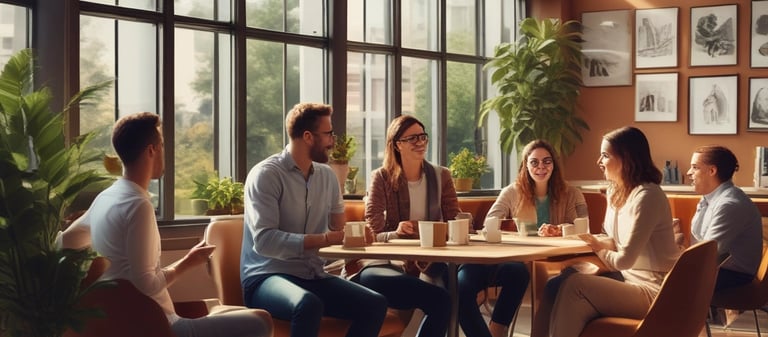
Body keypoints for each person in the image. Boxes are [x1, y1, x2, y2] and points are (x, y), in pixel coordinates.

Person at [60, 112, 273, 337]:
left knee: (230, 311)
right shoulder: (138, 205)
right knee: (261, 321)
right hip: (160, 326)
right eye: (161, 145)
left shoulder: (106, 197)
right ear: (151, 150)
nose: (164, 151)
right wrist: (188, 262)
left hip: (124, 322)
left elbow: (66, 240)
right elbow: (145, 285)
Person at [240, 103, 387, 337]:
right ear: (308, 136)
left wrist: (358, 234)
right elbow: (265, 241)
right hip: (266, 276)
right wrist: (327, 239)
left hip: (312, 274)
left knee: (375, 304)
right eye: (328, 134)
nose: (332, 141)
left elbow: (339, 228)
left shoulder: (327, 176)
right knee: (308, 305)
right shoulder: (267, 175)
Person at [546, 126, 680, 337]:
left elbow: (623, 260)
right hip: (628, 281)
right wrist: (567, 232)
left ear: (626, 159)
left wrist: (597, 247)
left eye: (605, 155)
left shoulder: (648, 196)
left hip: (655, 291)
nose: (599, 161)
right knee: (558, 288)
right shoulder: (615, 191)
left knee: (575, 285)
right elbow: (612, 240)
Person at [459, 140, 588, 337]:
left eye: (546, 161)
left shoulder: (572, 194)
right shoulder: (512, 191)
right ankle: (497, 330)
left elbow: (583, 226)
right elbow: (490, 222)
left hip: (557, 259)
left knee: (519, 273)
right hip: (518, 258)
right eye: (534, 162)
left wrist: (559, 229)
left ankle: (497, 328)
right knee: (472, 281)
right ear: (525, 165)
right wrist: (508, 228)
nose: (541, 167)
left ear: (554, 164)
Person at [354, 115, 453, 337]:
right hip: (383, 263)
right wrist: (396, 233)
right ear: (397, 144)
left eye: (423, 136)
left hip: (431, 262)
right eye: (412, 138)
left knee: (460, 289)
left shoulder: (442, 176)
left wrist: (432, 236)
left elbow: (455, 222)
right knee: (441, 299)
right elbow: (374, 230)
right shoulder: (381, 177)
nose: (420, 142)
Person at [687, 145, 762, 291]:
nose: (689, 172)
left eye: (695, 167)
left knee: (666, 280)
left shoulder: (729, 205)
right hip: (718, 269)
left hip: (734, 276)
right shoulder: (710, 198)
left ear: (712, 171)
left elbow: (707, 253)